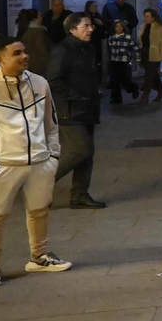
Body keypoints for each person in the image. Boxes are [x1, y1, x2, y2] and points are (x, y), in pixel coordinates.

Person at [0, 35, 70, 288]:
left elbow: (51, 123)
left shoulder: (39, 83)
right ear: (0, 58)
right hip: (4, 164)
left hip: (40, 162)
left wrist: (53, 155)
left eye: (24, 52)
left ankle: (39, 256)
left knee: (39, 210)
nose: (24, 56)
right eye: (16, 53)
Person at [46, 12, 105, 209]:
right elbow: (53, 79)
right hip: (69, 109)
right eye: (85, 26)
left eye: (91, 26)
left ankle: (80, 194)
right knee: (81, 149)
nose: (90, 29)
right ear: (72, 29)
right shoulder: (63, 50)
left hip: (87, 108)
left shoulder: (87, 48)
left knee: (88, 153)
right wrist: (76, 95)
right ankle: (39, 183)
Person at [137, 8, 162, 104]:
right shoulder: (143, 27)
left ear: (153, 17)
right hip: (145, 53)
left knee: (149, 75)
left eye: (148, 17)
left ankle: (145, 95)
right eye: (145, 16)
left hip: (155, 54)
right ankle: (160, 92)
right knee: (153, 74)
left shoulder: (160, 28)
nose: (146, 19)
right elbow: (141, 40)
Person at [105, 19, 141, 104]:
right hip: (114, 61)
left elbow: (135, 48)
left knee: (125, 80)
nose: (119, 28)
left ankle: (133, 88)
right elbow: (110, 50)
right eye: (117, 26)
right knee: (114, 81)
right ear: (114, 28)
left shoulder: (128, 37)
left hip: (124, 62)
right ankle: (116, 99)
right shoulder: (111, 38)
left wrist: (138, 58)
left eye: (121, 26)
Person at [19, 10, 52, 77]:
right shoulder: (39, 32)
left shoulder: (25, 30)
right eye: (40, 16)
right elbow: (43, 50)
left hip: (30, 65)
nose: (42, 17)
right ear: (35, 19)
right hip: (39, 66)